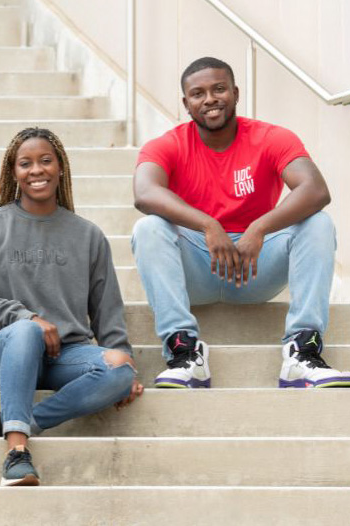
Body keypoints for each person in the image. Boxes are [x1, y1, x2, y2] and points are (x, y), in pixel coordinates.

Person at [132, 56, 345, 389]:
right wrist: (208, 225)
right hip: (198, 268)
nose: (210, 99)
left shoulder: (272, 138)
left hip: (255, 267)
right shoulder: (169, 144)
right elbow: (144, 192)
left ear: (236, 92)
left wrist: (258, 229)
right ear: (186, 104)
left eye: (219, 89)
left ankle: (302, 352)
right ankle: (184, 352)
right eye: (198, 93)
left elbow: (315, 189)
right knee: (148, 228)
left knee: (317, 223)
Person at [0, 127, 143, 487]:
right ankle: (16, 453)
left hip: (67, 357)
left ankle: (17, 420)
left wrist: (123, 357)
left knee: (121, 370)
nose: (37, 170)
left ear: (61, 168)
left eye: (46, 161)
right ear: (13, 172)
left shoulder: (88, 235)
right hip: (7, 350)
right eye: (25, 163)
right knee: (26, 331)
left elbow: (107, 309)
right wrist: (26, 318)